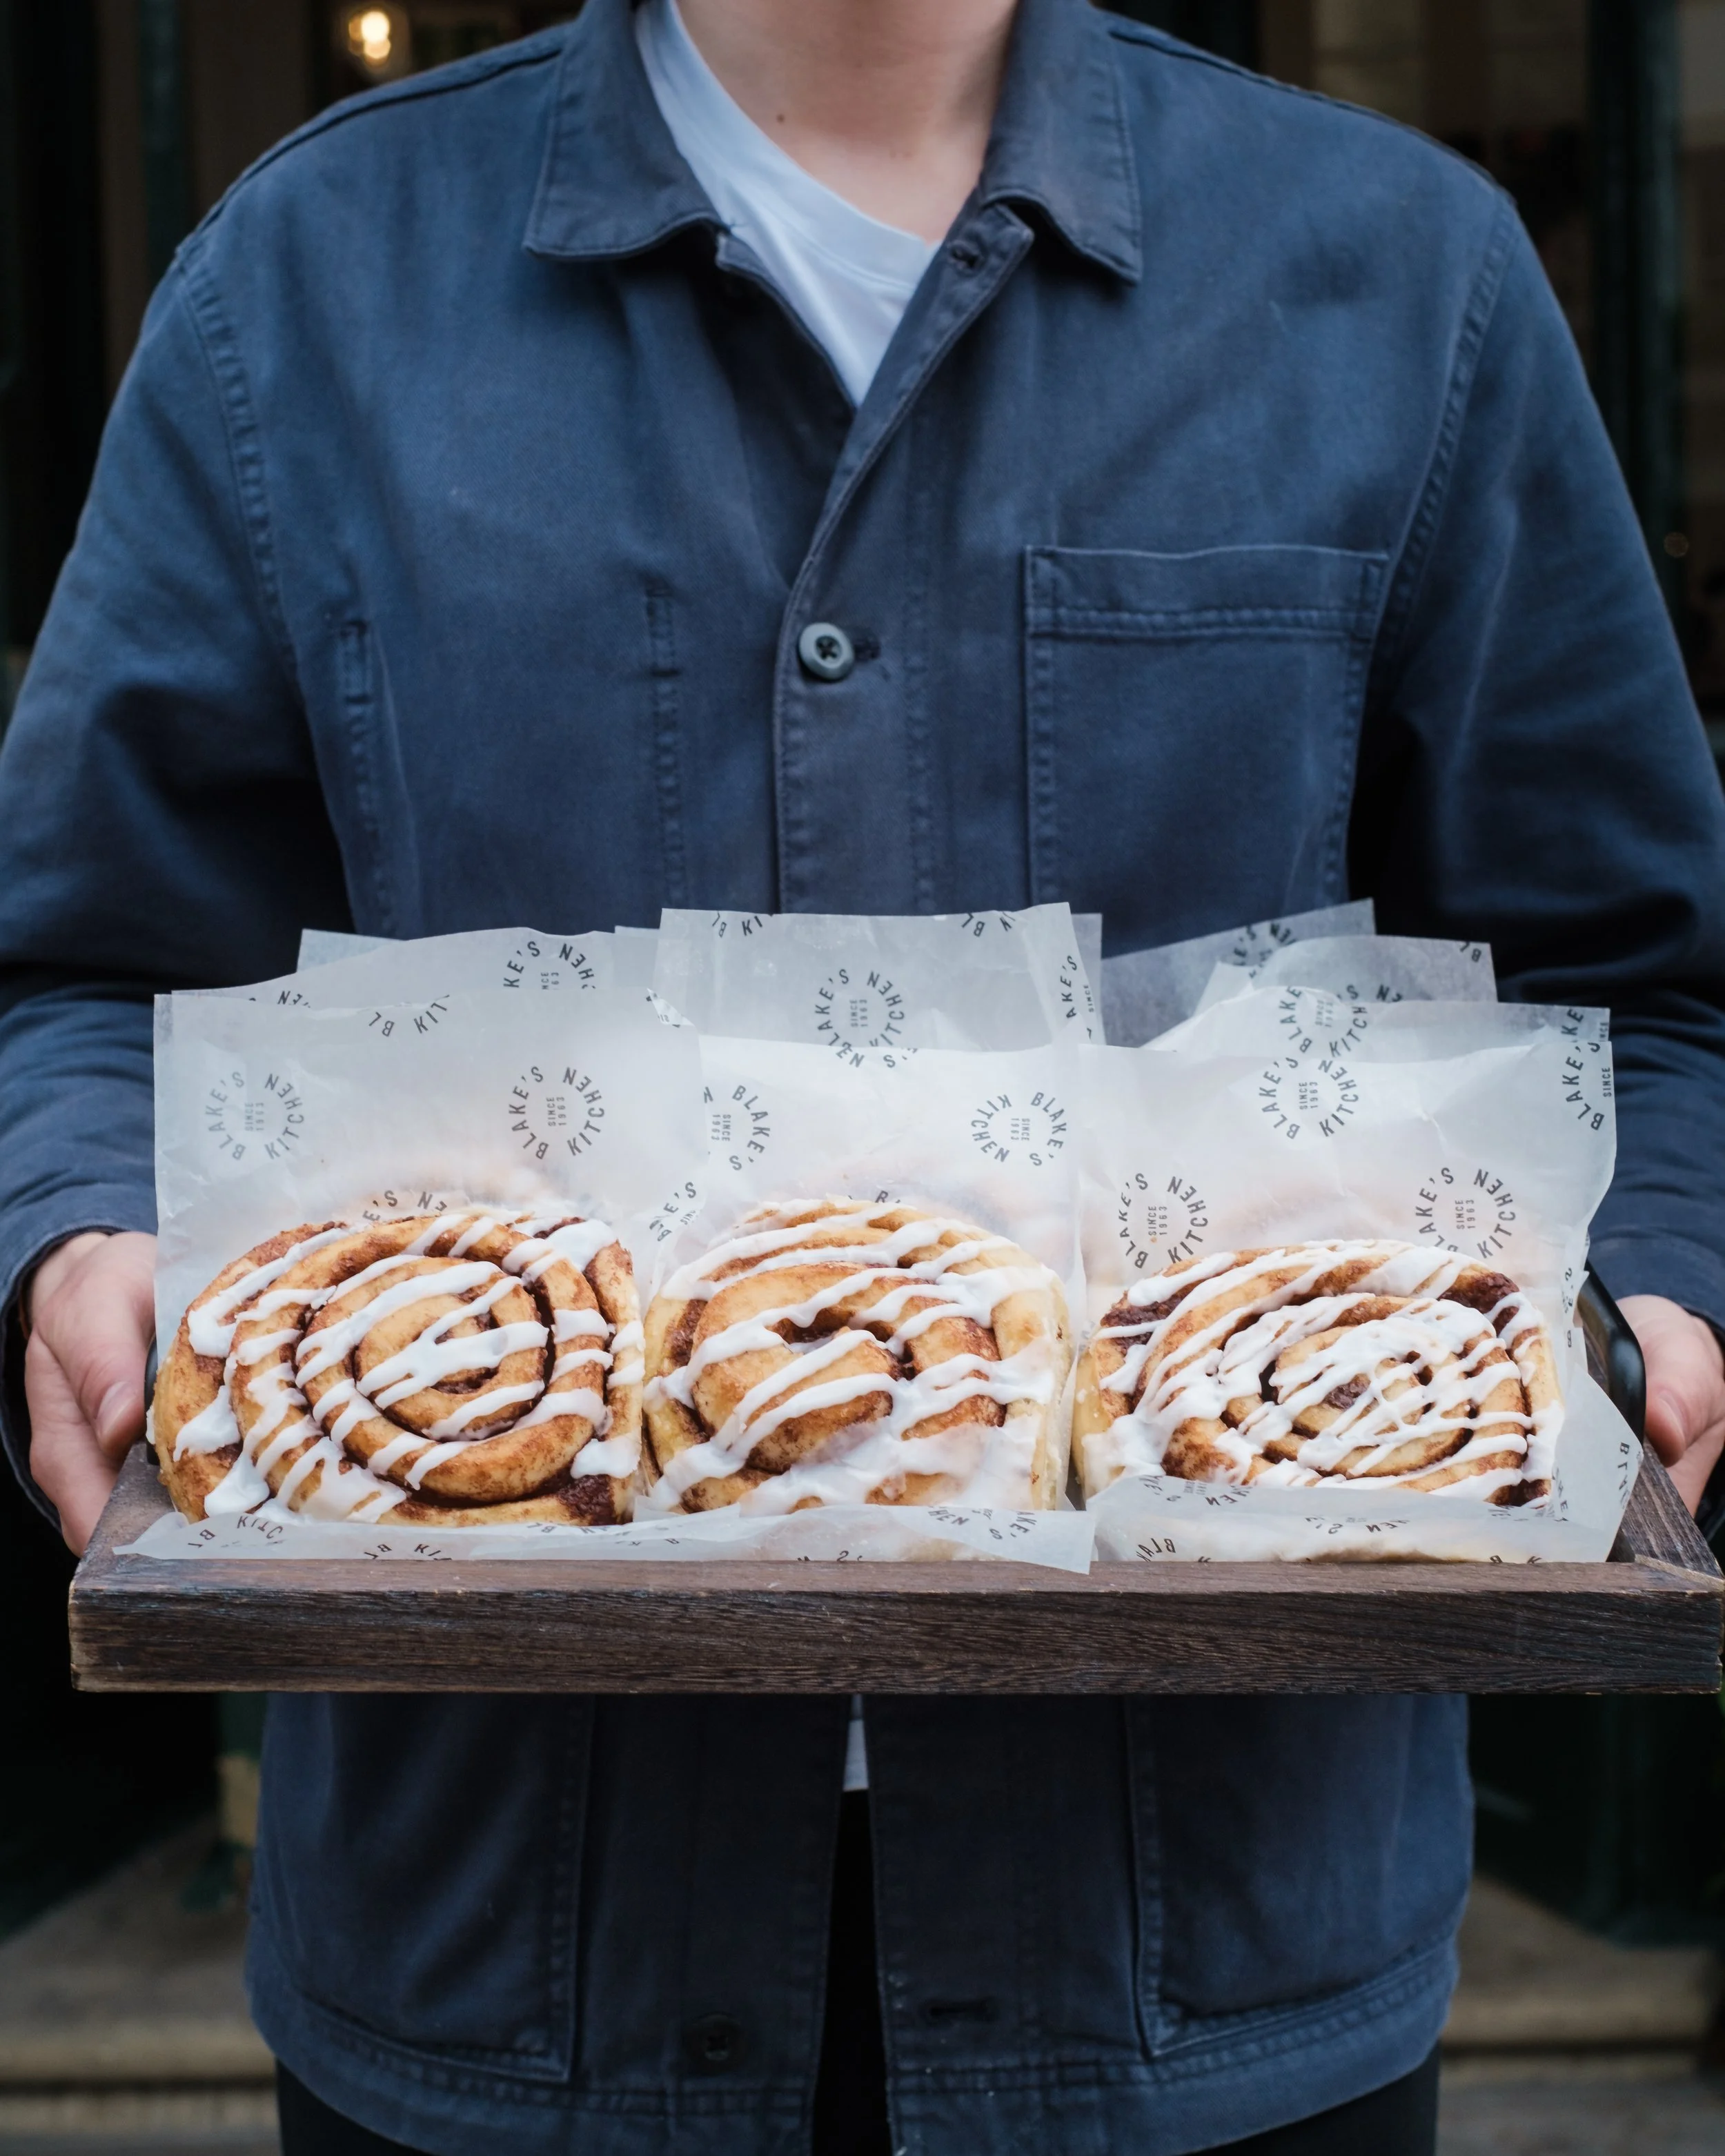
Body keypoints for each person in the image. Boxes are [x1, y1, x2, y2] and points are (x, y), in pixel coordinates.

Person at [3, 1, 1724, 2150]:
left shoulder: (1401, 279)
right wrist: (77, 1221)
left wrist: (1650, 1270)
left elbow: (1633, 980)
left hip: (1209, 1969)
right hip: (498, 1967)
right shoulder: (304, 291)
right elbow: (79, 965)